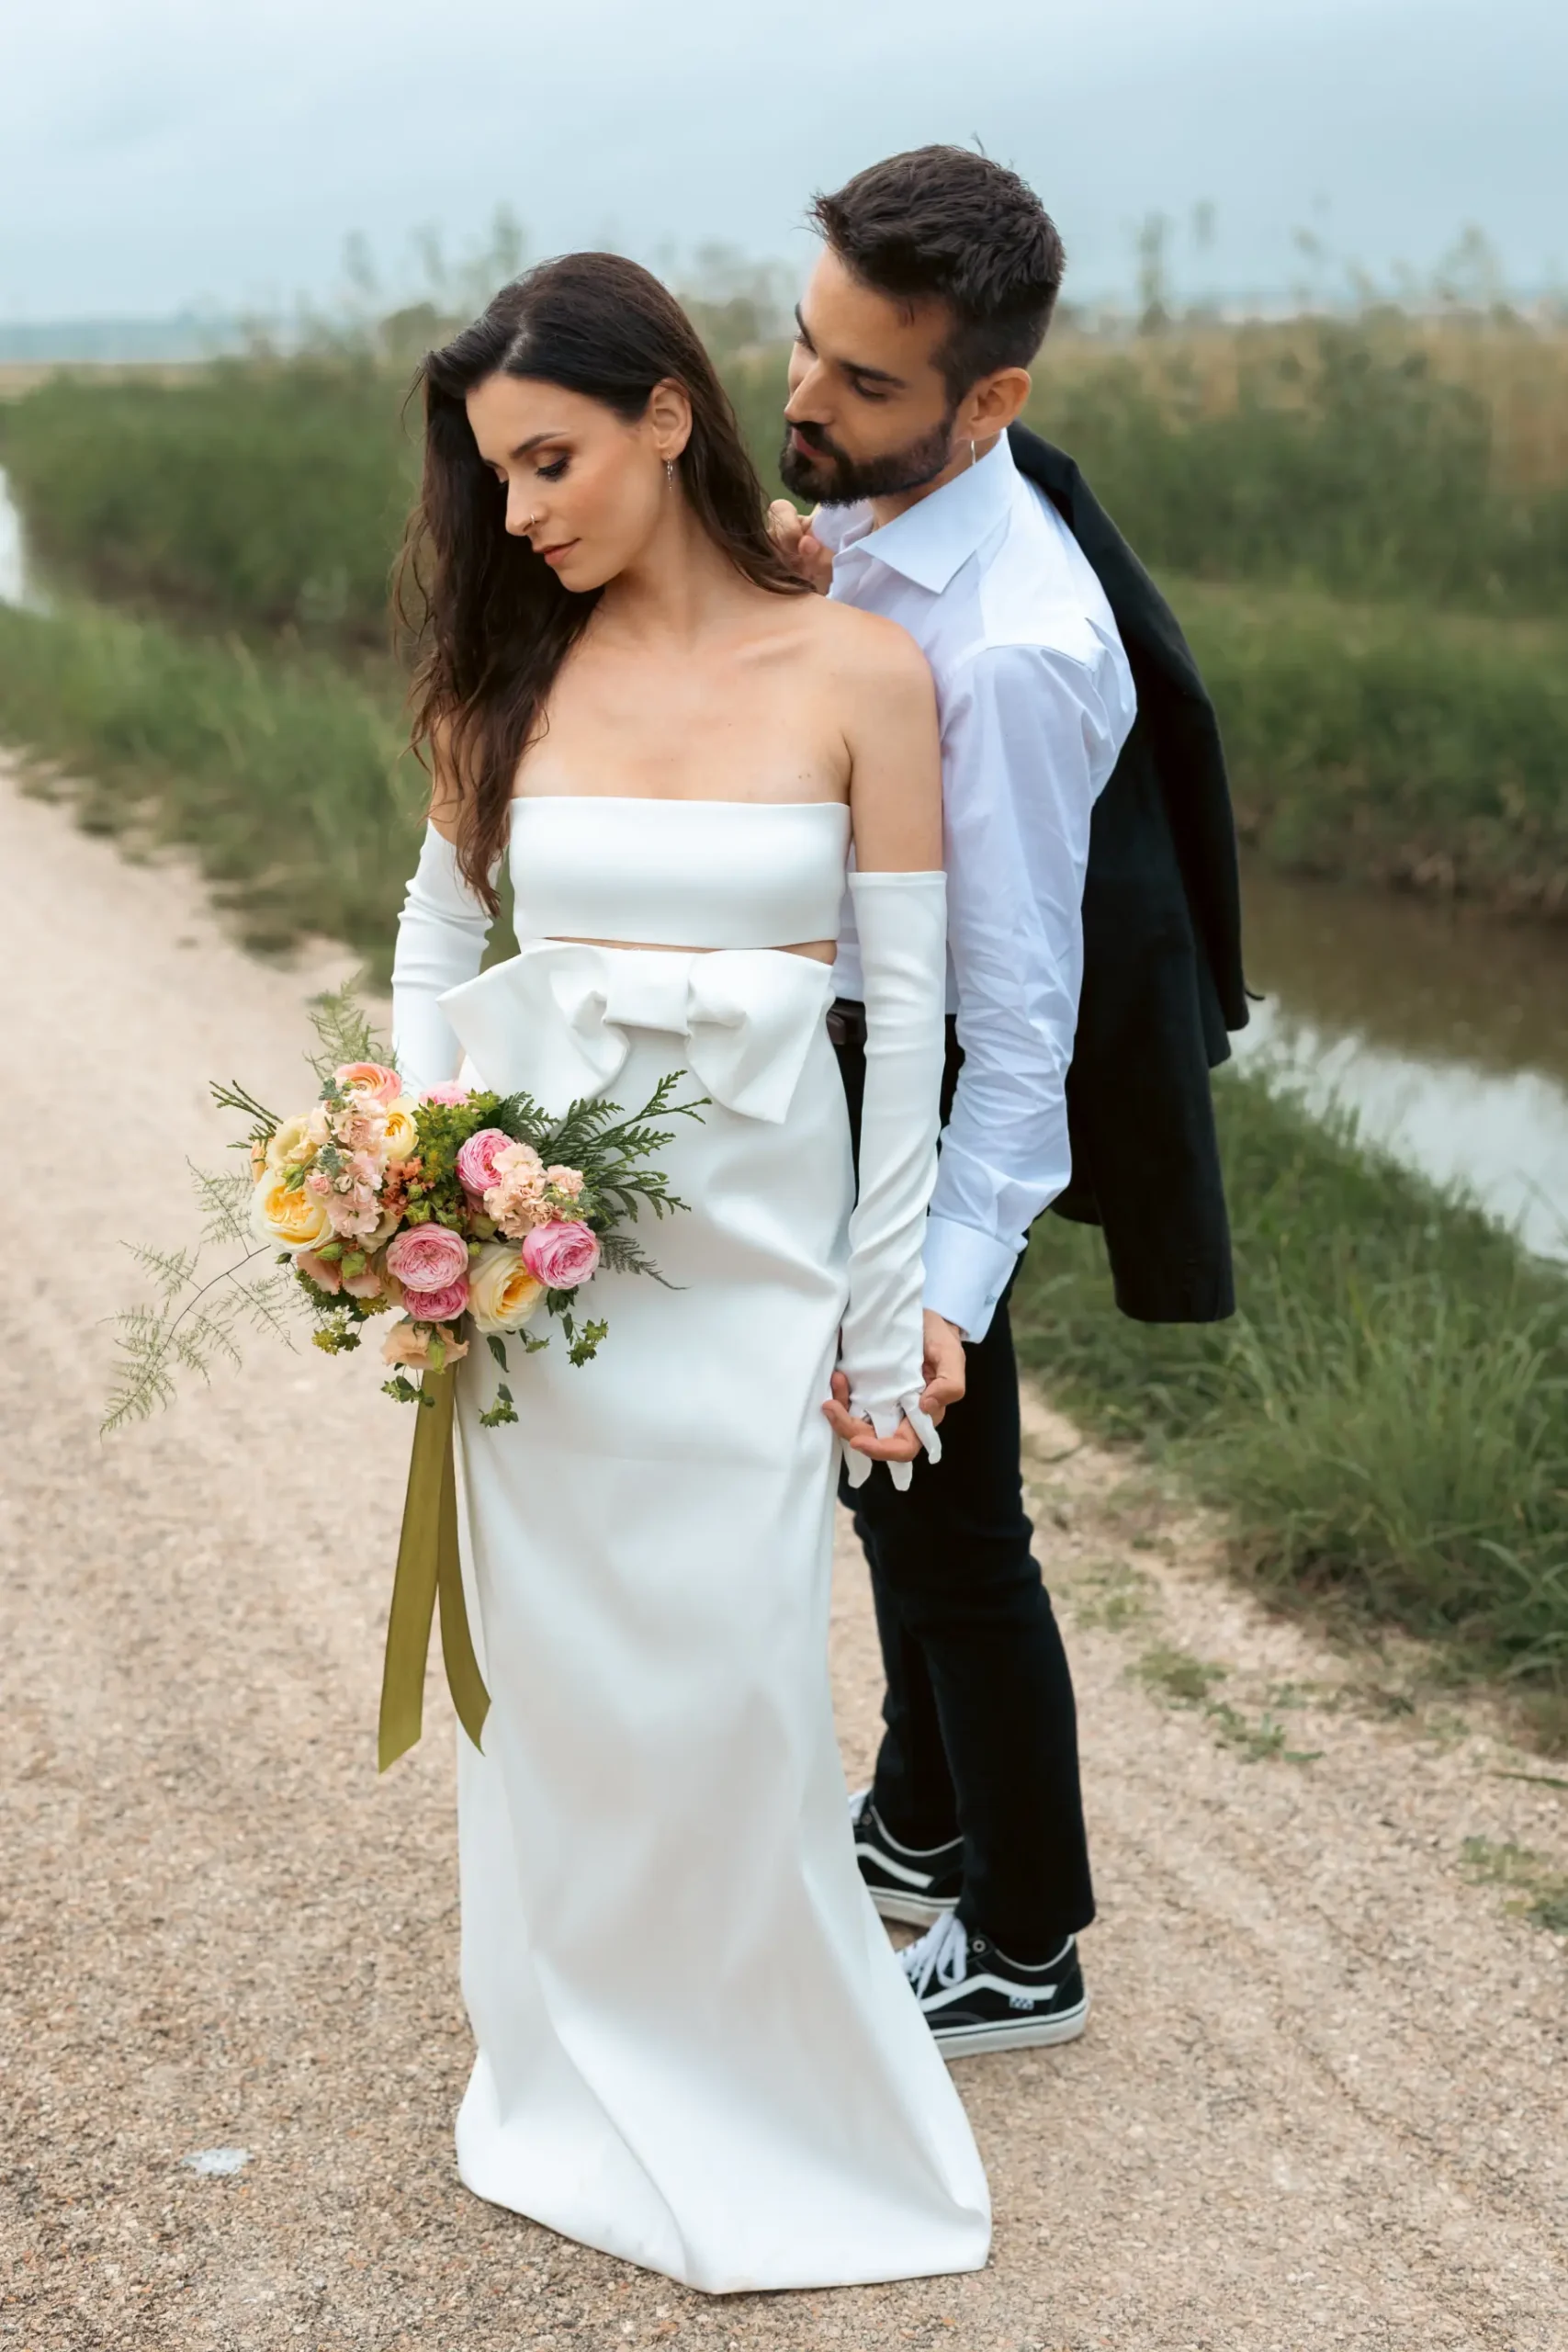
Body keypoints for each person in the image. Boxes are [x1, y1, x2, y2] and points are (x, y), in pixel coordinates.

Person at [388, 252, 990, 2292]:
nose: (518, 512)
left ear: (666, 412)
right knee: (559, 1697)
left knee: (734, 1693)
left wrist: (879, 1315)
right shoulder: (510, 676)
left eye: (548, 460)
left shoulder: (859, 673)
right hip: (545, 1285)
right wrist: (424, 1181)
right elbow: (431, 943)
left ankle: (767, 2081)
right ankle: (571, 2058)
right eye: (494, 478)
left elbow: (910, 1021)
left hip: (750, 1273)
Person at [771, 147, 1145, 2052]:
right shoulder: (870, 517)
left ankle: (1022, 1939)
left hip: (918, 1093)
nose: (803, 399)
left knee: (947, 1519)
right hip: (843, 1062)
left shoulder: (1007, 649)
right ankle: (918, 1820)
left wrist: (944, 1280)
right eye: (804, 344)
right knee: (891, 1494)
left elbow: (1019, 1022)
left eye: (862, 381)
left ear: (988, 400)